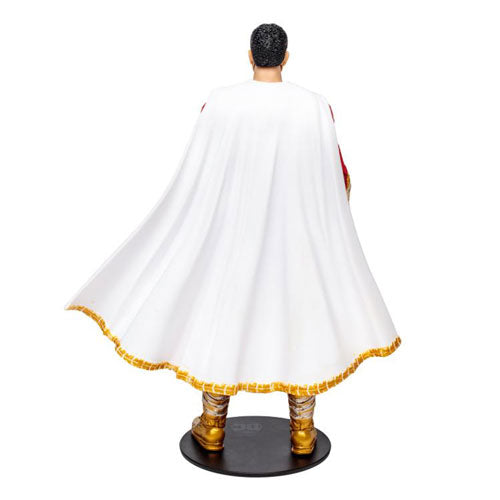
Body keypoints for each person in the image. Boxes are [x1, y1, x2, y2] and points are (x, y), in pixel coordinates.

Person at [66, 23, 400, 455]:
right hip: (297, 239)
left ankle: (213, 425)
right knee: (303, 320)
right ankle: (302, 431)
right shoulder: (315, 105)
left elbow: (200, 169)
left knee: (222, 319)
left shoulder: (221, 102)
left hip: (235, 238)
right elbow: (337, 175)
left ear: (249, 56)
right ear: (286, 58)